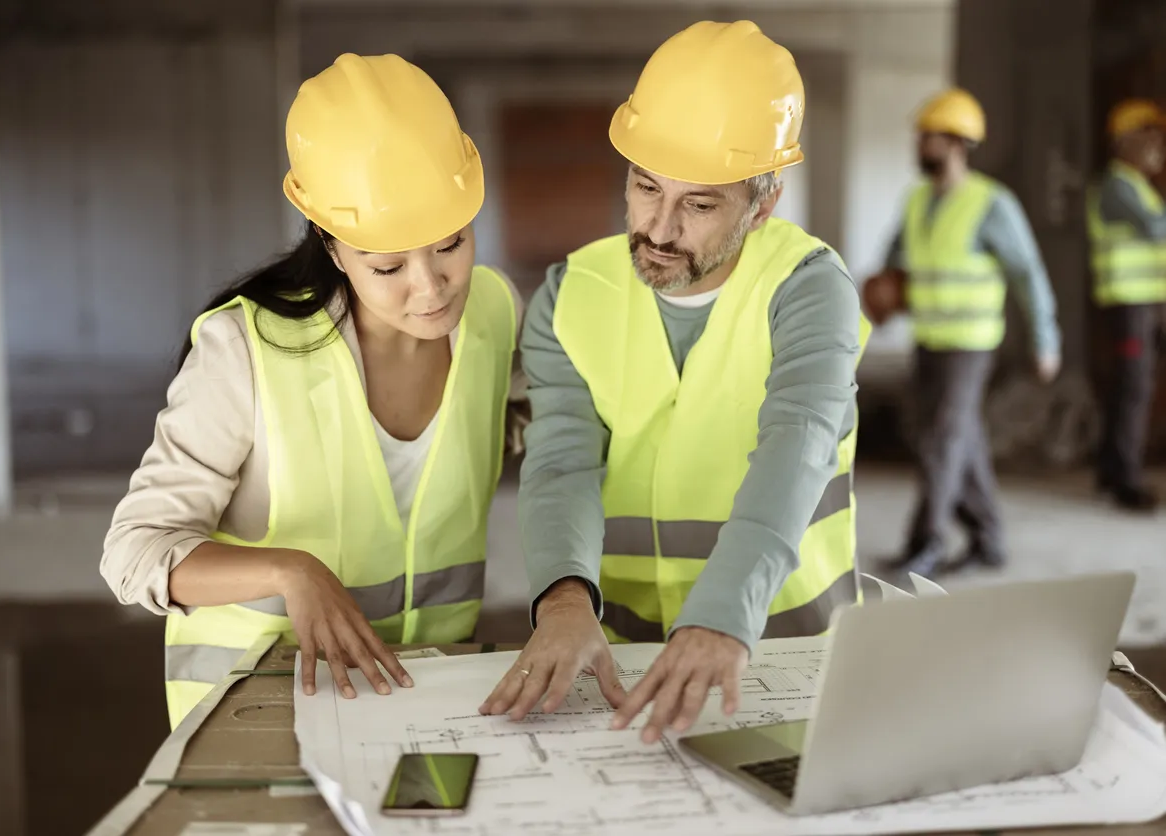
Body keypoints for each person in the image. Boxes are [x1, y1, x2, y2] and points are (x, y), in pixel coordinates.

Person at [101, 53, 523, 729]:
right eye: (387, 265)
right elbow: (133, 554)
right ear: (330, 245)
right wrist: (289, 572)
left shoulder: (496, 313)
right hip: (253, 711)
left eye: (451, 244)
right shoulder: (243, 349)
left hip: (428, 696)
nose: (431, 286)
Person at [479, 20, 871, 744]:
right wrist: (564, 602)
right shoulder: (572, 293)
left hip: (785, 643)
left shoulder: (808, 287)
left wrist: (723, 614)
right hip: (623, 649)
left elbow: (796, 447)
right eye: (644, 187)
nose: (657, 229)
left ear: (762, 204)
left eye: (697, 204)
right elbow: (562, 463)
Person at [877, 88, 1062, 579]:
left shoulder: (991, 204)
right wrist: (883, 292)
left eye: (928, 137)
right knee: (961, 440)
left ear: (956, 143)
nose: (918, 145)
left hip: (971, 345)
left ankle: (927, 542)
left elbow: (1028, 273)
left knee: (941, 440)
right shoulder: (917, 200)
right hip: (930, 338)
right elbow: (896, 259)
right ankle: (988, 539)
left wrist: (1046, 340)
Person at [1086, 98, 1166, 513]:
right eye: (1150, 139)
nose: (1159, 148)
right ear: (1125, 143)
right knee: (1133, 391)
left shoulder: (1138, 186)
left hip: (1145, 303)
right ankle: (1126, 480)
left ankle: (1111, 469)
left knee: (1130, 390)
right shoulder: (1118, 185)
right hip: (1129, 305)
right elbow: (1155, 230)